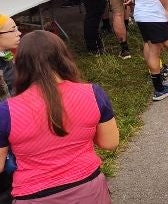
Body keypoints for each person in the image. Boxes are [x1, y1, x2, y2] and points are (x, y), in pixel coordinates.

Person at [0, 31, 119, 202]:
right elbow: (110, 143)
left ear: (20, 64)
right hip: (87, 188)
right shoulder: (93, 93)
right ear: (63, 57)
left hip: (33, 195)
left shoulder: (6, 111)